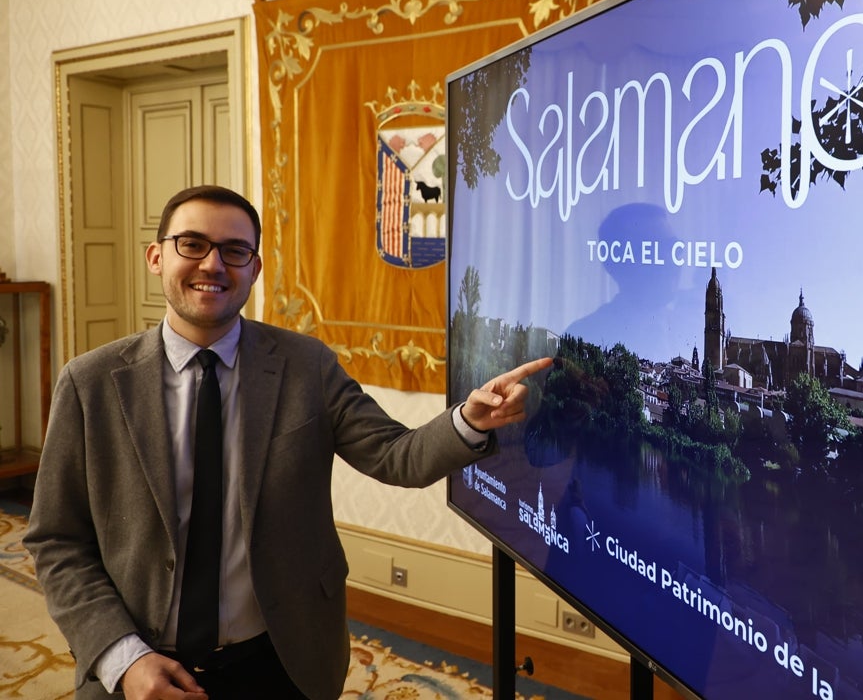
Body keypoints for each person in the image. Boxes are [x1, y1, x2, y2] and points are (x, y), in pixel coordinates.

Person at [25, 185, 551, 700]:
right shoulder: (89, 383)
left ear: (254, 268)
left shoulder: (306, 366)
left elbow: (398, 457)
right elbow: (57, 540)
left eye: (235, 251)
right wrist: (124, 658)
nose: (213, 265)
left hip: (282, 658)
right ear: (157, 256)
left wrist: (470, 419)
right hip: (141, 663)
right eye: (192, 244)